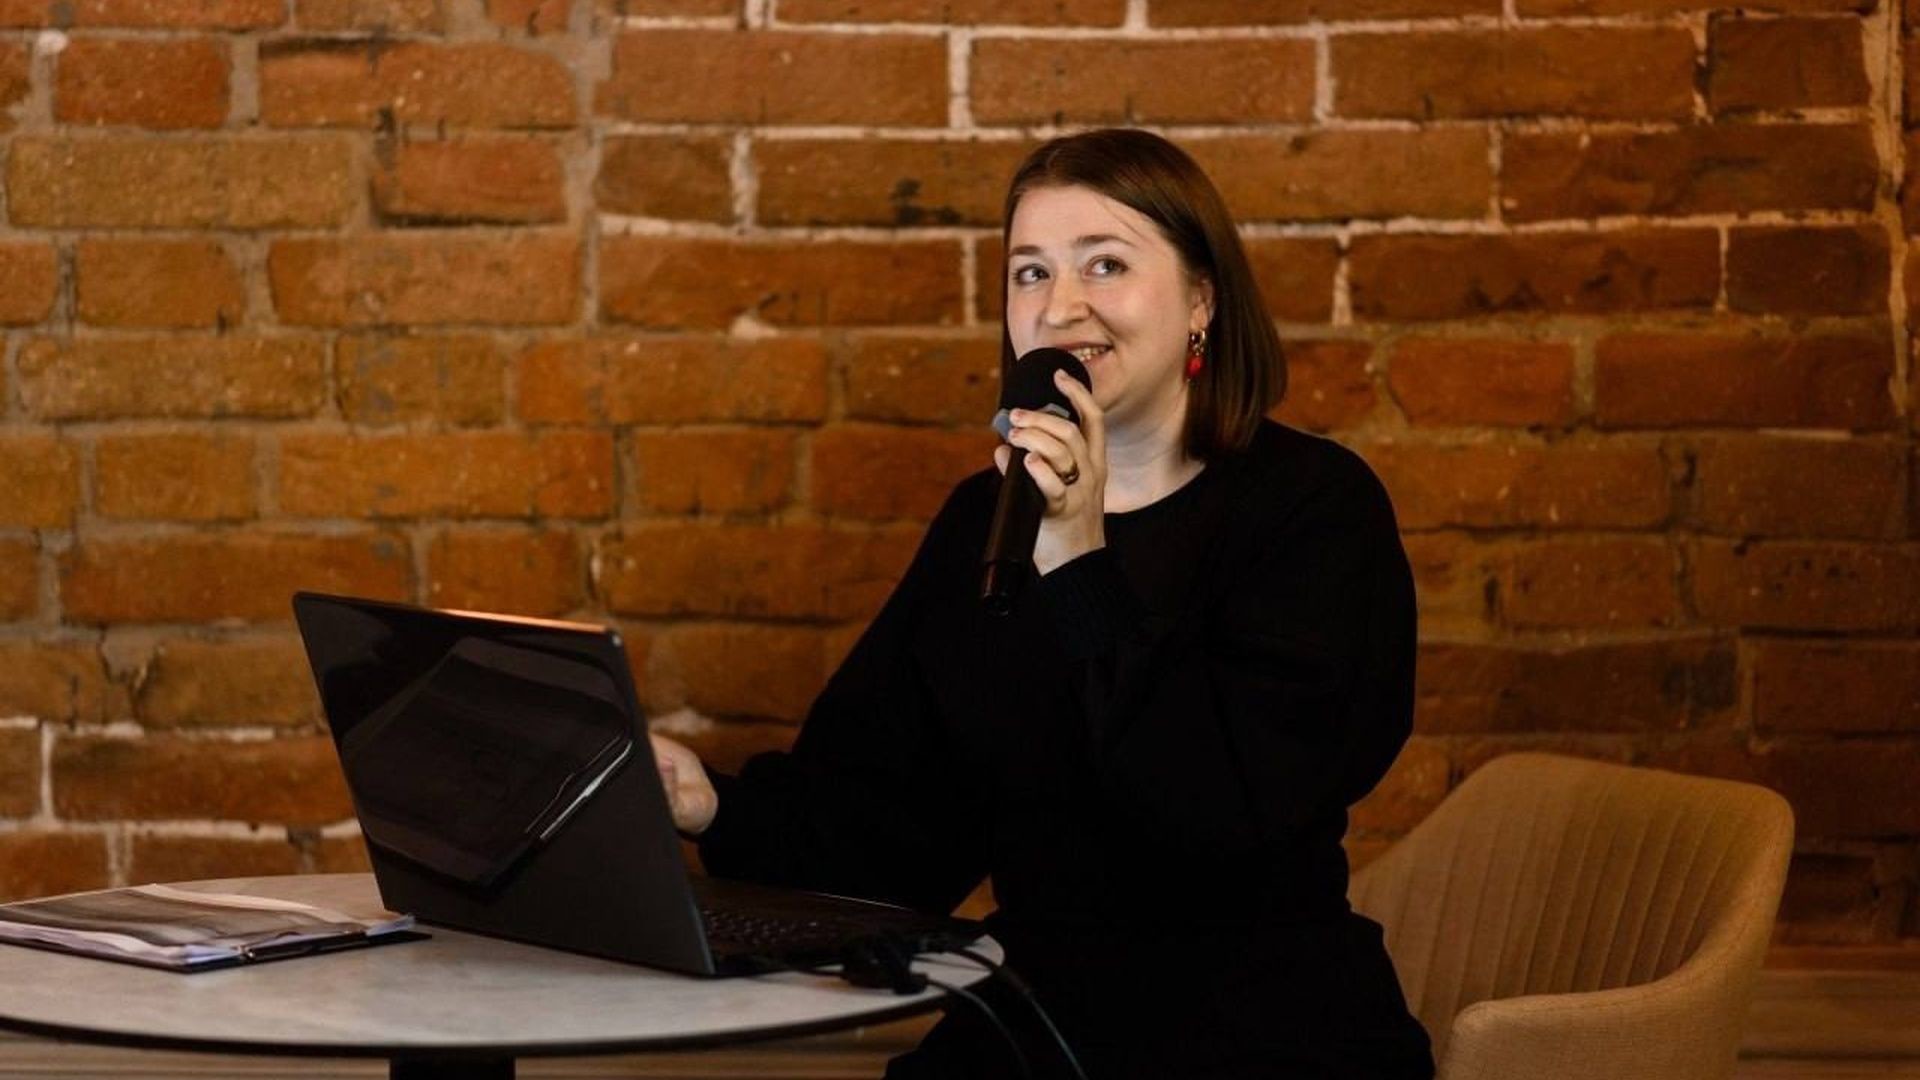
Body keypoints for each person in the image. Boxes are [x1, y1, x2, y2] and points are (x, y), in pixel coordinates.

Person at [648, 128, 1434, 1079]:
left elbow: (1216, 808)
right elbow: (890, 824)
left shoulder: (1313, 509)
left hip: (1260, 1024)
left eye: (1106, 264)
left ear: (1201, 298)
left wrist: (1077, 556)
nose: (1061, 307)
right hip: (1038, 1017)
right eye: (1031, 273)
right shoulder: (983, 519)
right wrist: (707, 803)